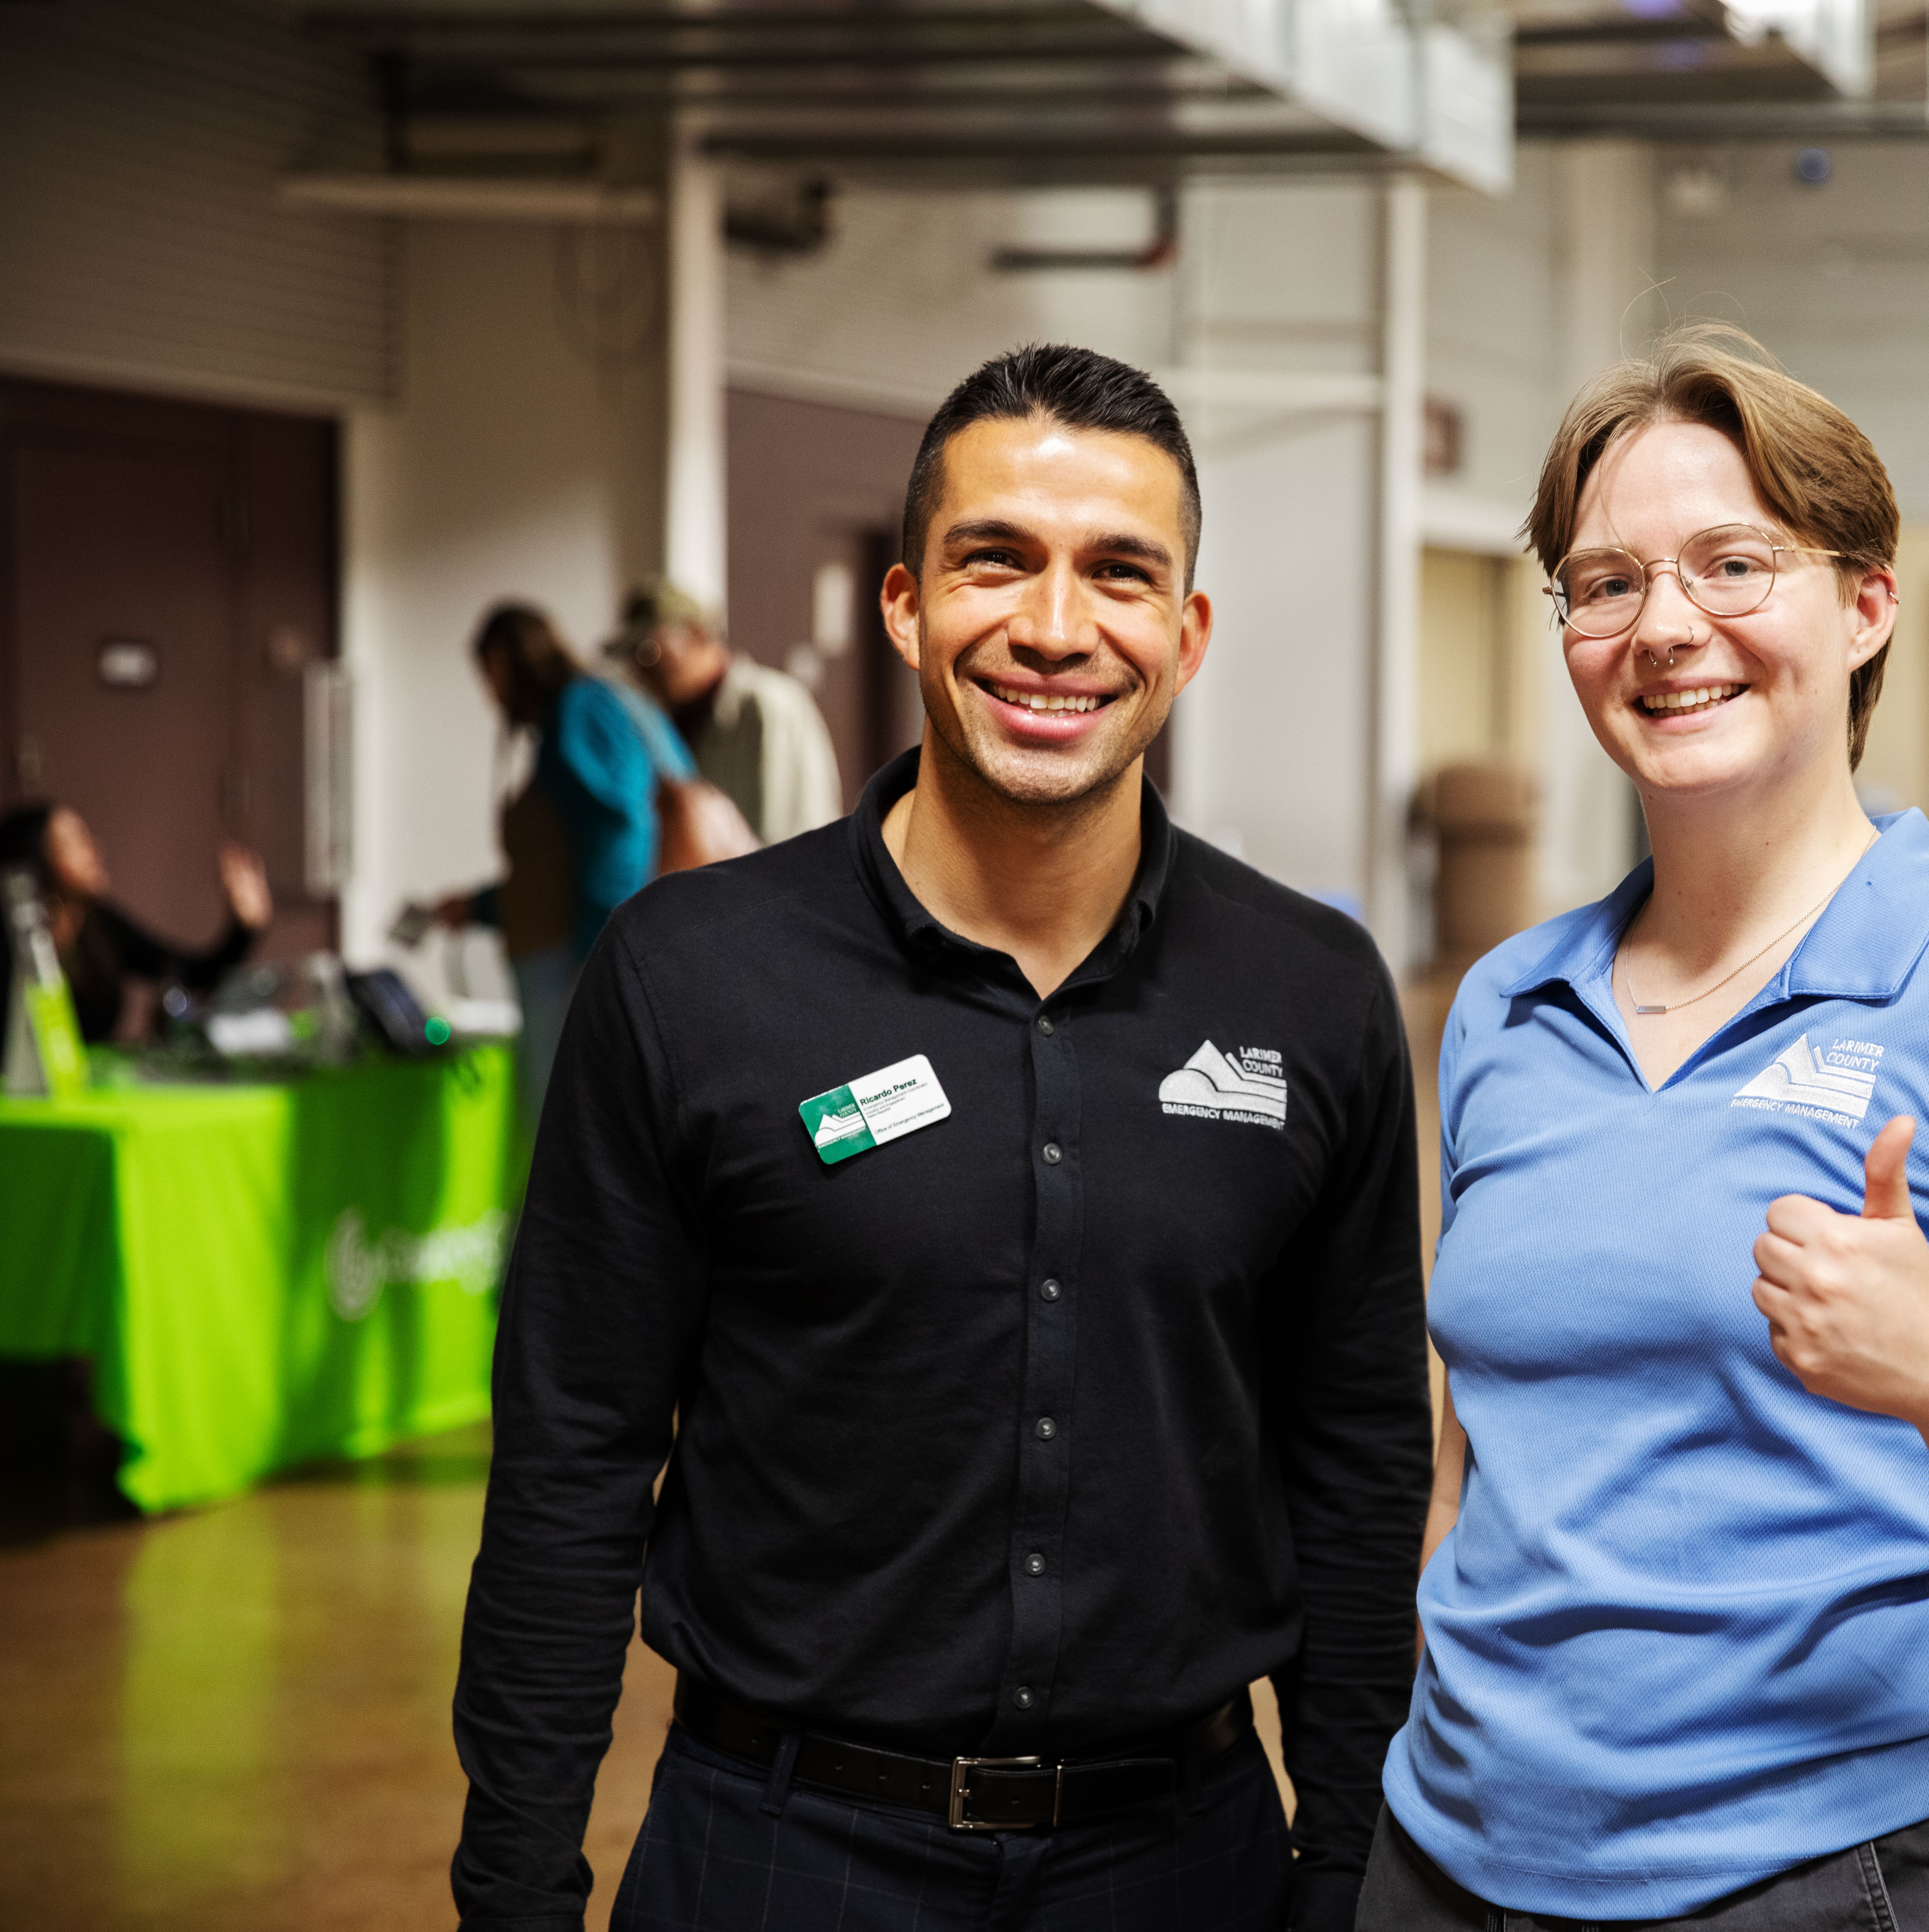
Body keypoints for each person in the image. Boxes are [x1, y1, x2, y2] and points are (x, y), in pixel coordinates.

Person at [450, 344, 1430, 1932]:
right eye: (998, 561)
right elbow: (571, 1460)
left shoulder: (1308, 994)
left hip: (1185, 1868)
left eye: (1119, 574)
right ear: (907, 604)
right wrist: (513, 1892)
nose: (1055, 628)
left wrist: (1346, 1867)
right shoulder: (694, 977)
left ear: (1185, 636)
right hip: (780, 1858)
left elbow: (1357, 1461)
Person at [1364, 326, 1929, 1932]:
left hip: (1830, 1882)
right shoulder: (1506, 1007)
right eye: (1605, 582)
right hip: (1450, 1867)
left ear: (1867, 602)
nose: (1664, 627)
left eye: (1731, 563)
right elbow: (1482, 1441)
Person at [431, 602, 695, 1125]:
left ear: (507, 662)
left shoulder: (581, 710)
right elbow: (552, 864)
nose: (490, 695)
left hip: (583, 955)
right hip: (583, 948)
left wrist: (604, 951)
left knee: (573, 1128)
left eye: (489, 674)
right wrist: (484, 906)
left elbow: (622, 827)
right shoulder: (598, 705)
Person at [0, 800, 270, 1068]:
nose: (93, 848)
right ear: (36, 858)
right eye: (75, 840)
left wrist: (243, 930)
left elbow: (189, 973)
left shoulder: (100, 925)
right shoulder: (0, 952)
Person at [610, 575, 844, 843]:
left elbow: (796, 839)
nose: (642, 669)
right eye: (631, 656)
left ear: (698, 635)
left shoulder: (768, 707)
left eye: (649, 652)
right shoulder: (665, 717)